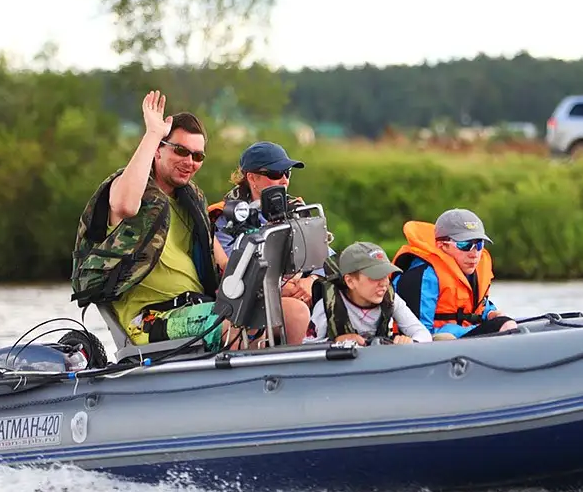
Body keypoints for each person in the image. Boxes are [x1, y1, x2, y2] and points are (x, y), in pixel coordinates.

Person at [71, 91, 244, 350]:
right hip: (150, 319)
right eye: (181, 151)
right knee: (235, 319)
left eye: (197, 156)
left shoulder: (190, 202)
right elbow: (126, 205)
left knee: (282, 311)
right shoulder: (127, 189)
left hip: (198, 306)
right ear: (158, 151)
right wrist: (153, 133)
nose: (189, 162)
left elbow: (223, 262)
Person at [207, 140, 312, 342]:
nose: (284, 181)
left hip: (299, 296)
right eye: (275, 174)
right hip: (249, 303)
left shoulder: (297, 209)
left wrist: (311, 281)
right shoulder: (226, 217)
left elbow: (325, 258)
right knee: (296, 312)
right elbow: (233, 271)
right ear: (252, 178)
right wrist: (282, 285)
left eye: (287, 173)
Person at [392, 208, 518, 339]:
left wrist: (490, 313)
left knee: (505, 323)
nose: (474, 253)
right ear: (442, 246)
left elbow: (478, 306)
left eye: (479, 245)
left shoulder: (470, 269)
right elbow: (419, 332)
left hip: (463, 337)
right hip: (435, 343)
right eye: (465, 245)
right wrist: (477, 329)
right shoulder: (423, 276)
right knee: (504, 326)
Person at [303, 242, 432, 346]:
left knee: (444, 338)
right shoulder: (328, 305)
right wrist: (335, 342)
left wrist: (411, 343)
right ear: (350, 281)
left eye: (386, 276)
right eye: (375, 277)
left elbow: (422, 334)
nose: (384, 284)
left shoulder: (391, 299)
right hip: (345, 371)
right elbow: (307, 347)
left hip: (382, 367)